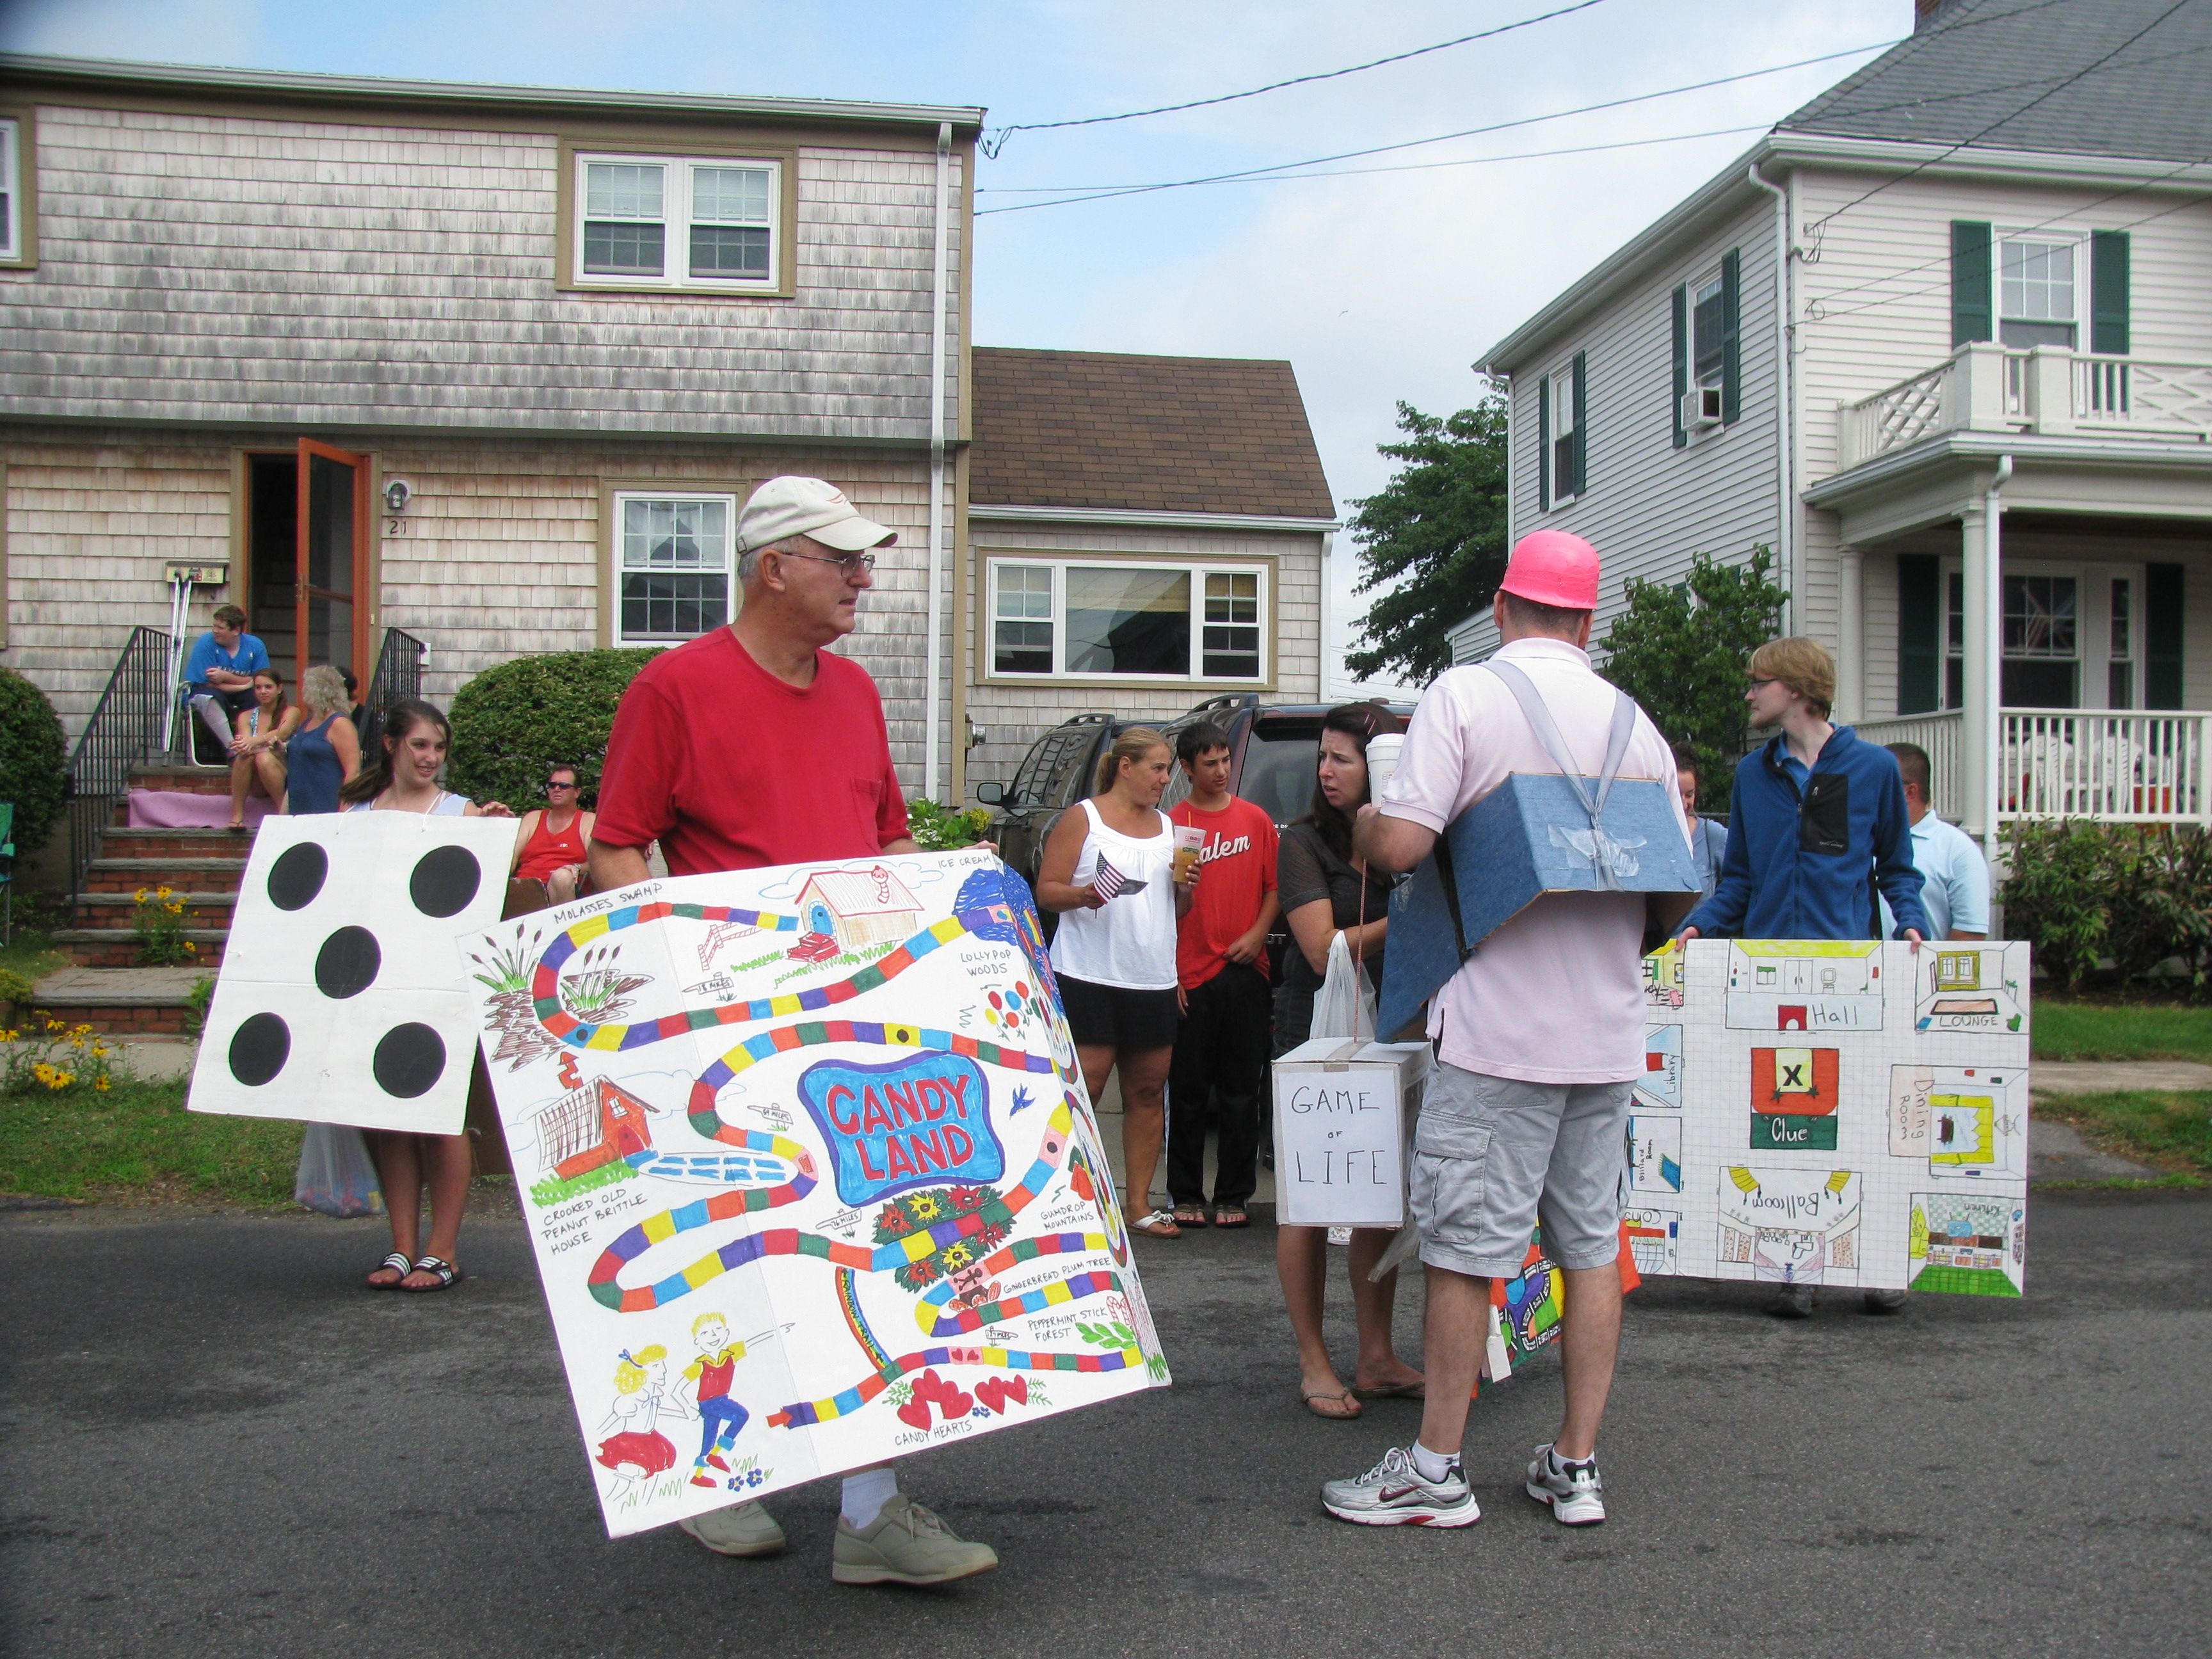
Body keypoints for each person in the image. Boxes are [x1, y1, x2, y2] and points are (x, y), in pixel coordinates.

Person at [588, 474, 997, 1587]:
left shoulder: (857, 692)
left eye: (865, 559)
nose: (864, 577)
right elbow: (618, 844)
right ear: (774, 567)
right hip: (733, 1037)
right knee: (739, 1263)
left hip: (857, 1029)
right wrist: (676, 981)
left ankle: (870, 1512)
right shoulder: (673, 690)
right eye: (843, 558)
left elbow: (887, 843)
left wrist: (944, 924)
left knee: (870, 1247)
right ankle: (717, 1481)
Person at [1320, 530, 1696, 1530]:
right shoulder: (1635, 722)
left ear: (1501, 607)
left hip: (1499, 1035)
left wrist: (1366, 823)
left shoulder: (1467, 696)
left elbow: (1405, 843)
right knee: (1590, 1249)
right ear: (1588, 620)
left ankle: (1435, 1471)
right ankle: (1575, 1465)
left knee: (1465, 1251)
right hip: (1606, 1034)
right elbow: (1672, 879)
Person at [1678, 637, 1930, 1318]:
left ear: (1794, 688)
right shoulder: (1753, 776)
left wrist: (1911, 924)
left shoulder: (1872, 770)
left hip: (1849, 978)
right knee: (1788, 1123)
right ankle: (1797, 1265)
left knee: (1863, 1124)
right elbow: (1741, 880)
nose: (1749, 694)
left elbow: (1896, 870)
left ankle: (1880, 1263)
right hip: (1769, 980)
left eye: (1758, 682)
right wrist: (1698, 926)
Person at [1274, 703, 1425, 1421]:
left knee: (1379, 1189)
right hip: (1314, 1032)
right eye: (1323, 757)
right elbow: (1318, 947)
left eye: (1343, 758)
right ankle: (1314, 1360)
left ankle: (1376, 1356)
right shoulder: (1303, 841)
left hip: (1395, 1024)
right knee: (1306, 1198)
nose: (1327, 770)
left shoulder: (1414, 839)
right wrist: (1416, 916)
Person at [342, 699, 513, 1294]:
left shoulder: (461, 812)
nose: (430, 757)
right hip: (374, 982)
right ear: (392, 745)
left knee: (441, 1117)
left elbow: (488, 893)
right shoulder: (355, 813)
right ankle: (401, 1248)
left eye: (439, 747)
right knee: (388, 1117)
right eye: (419, 745)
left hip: (440, 982)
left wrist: (496, 836)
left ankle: (443, 1252)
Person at [1038, 727, 1199, 1240]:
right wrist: (1083, 895)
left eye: (1167, 768)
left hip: (1151, 976)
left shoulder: (1169, 828)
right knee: (1084, 1089)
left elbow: (1178, 909)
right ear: (1125, 767)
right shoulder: (1084, 818)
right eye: (1158, 767)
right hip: (1088, 972)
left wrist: (1186, 887)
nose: (1166, 778)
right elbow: (1046, 891)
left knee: (1148, 1090)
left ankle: (1138, 1206)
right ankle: (1069, 1203)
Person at [1163, 721, 1279, 1231]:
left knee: (1241, 1090)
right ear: (1187, 768)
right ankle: (1186, 1193)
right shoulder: (1172, 825)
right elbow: (1159, 909)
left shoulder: (1255, 820)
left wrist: (1258, 934)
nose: (1221, 771)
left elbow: (1275, 888)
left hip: (1246, 969)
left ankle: (1234, 1193)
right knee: (1188, 1092)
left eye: (1226, 761)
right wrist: (1170, 973)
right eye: (1209, 763)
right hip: (1190, 973)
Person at [1880, 742, 1990, 942]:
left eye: (1877, 784)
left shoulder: (1958, 849)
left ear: (1909, 792)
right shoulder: (1861, 841)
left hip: (1921, 961)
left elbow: (1969, 935)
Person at [184, 603, 269, 756]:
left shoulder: (255, 645)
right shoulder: (206, 643)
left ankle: (253, 745)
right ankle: (232, 750)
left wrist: (226, 677)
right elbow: (207, 684)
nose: (215, 631)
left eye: (221, 628)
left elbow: (261, 680)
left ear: (236, 630)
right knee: (207, 697)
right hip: (210, 690)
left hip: (239, 692)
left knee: (260, 695)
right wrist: (244, 685)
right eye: (214, 626)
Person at [227, 668, 301, 830]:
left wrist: (254, 742)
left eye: (268, 687)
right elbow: (245, 743)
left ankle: (284, 812)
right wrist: (246, 745)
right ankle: (237, 816)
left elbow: (282, 733)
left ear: (279, 689)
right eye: (258, 687)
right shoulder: (246, 716)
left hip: (282, 773)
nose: (263, 691)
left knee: (264, 758)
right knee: (244, 757)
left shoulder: (291, 712)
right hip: (256, 780)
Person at [511, 765, 596, 904]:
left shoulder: (587, 821)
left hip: (564, 890)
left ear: (577, 792)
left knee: (562, 877)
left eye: (564, 786)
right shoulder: (533, 818)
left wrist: (577, 867)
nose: (557, 789)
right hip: (525, 889)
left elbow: (597, 862)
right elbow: (510, 860)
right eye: (552, 785)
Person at [285, 665, 360, 817]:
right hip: (298, 809)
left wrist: (343, 814)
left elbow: (353, 772)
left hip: (327, 808)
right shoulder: (307, 723)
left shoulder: (340, 723)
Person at [1674, 743, 1730, 899]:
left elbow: (1741, 883)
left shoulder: (1712, 835)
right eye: (1676, 794)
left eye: (1689, 794)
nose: (1684, 804)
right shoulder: (1648, 836)